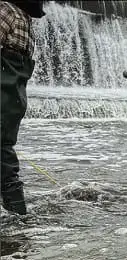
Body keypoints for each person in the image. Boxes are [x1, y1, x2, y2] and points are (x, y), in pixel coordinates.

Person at [0, 0, 45, 215]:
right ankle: (16, 214)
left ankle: (17, 216)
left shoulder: (6, 12)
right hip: (14, 100)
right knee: (4, 152)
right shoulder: (24, 19)